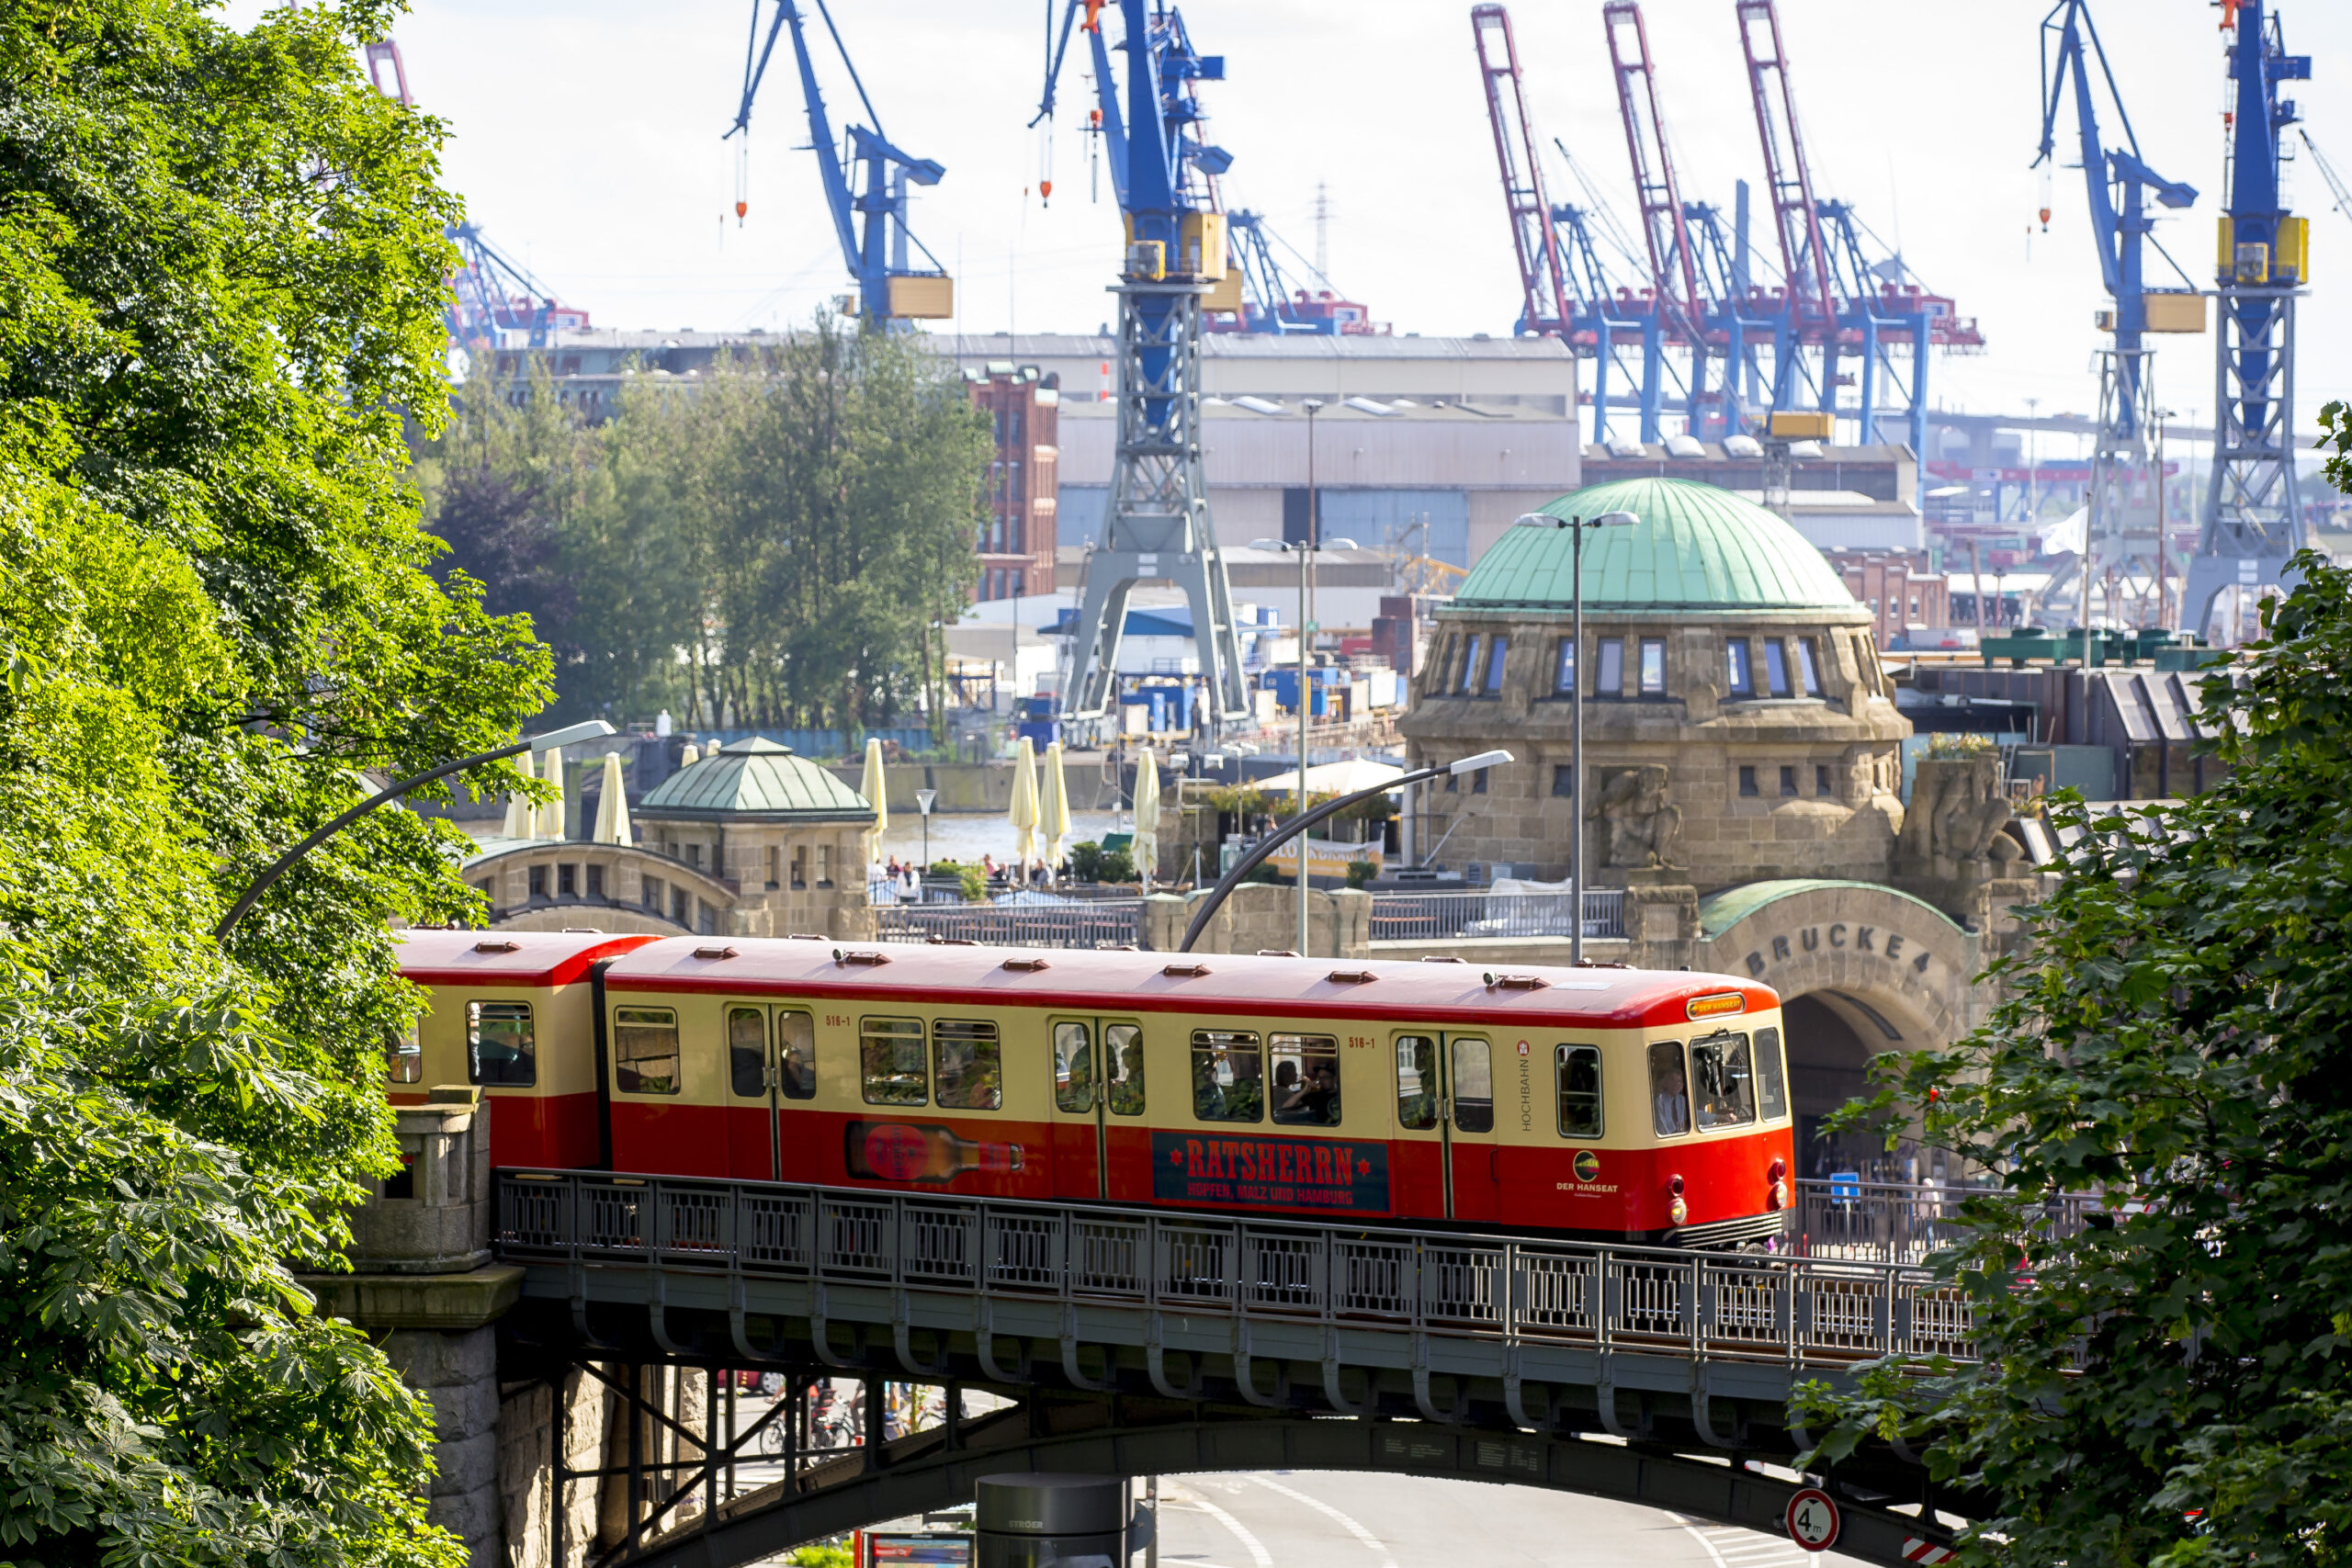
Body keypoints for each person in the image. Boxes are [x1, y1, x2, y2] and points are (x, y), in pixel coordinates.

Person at [1653, 1060, 1690, 1136]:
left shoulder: (1682, 1100)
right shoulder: (1659, 1100)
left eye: (1679, 1081)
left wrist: (1717, 1117)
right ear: (1665, 1083)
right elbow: (1661, 1126)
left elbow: (1694, 1114)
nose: (1676, 1084)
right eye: (1672, 1080)